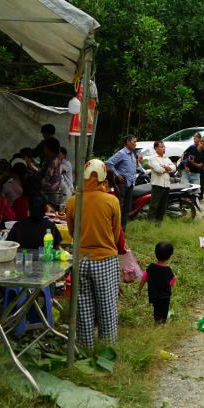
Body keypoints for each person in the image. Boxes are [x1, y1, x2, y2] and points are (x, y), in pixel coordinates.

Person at [65, 159, 122, 347]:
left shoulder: (73, 201)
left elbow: (72, 232)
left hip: (80, 260)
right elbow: (115, 234)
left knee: (83, 308)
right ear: (103, 178)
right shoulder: (112, 201)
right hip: (105, 258)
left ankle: (84, 348)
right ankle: (107, 349)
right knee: (107, 308)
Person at [137, 241, 176, 324]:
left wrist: (139, 290)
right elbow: (172, 281)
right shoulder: (168, 270)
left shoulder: (151, 267)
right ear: (169, 256)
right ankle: (160, 325)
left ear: (155, 253)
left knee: (156, 310)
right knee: (163, 313)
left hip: (154, 295)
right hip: (165, 297)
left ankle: (157, 322)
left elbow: (144, 278)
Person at [105, 135, 138, 228]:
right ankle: (115, 228)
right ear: (128, 142)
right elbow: (108, 163)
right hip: (122, 184)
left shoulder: (132, 154)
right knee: (120, 206)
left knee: (127, 208)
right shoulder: (122, 153)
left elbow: (133, 167)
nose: (135, 144)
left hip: (130, 183)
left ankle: (122, 230)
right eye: (134, 142)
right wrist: (117, 175)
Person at [148, 141, 176, 221]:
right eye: (162, 147)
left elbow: (174, 167)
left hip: (166, 185)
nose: (164, 148)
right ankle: (149, 223)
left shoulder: (166, 158)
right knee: (154, 205)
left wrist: (167, 167)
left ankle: (158, 224)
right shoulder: (152, 158)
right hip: (157, 185)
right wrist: (167, 169)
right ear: (156, 148)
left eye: (164, 147)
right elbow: (158, 170)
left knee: (163, 206)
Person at [181, 134, 204, 201]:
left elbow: (201, 165)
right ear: (199, 142)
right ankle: (184, 203)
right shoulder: (192, 148)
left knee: (196, 190)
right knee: (184, 188)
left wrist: (193, 163)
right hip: (186, 171)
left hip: (196, 173)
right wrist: (185, 166)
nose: (202, 145)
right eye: (201, 143)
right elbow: (183, 156)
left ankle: (194, 202)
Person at [40, 137, 64, 209]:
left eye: (44, 147)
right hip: (50, 192)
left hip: (50, 194)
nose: (43, 149)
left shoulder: (53, 161)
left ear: (48, 148)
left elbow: (46, 177)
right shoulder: (50, 159)